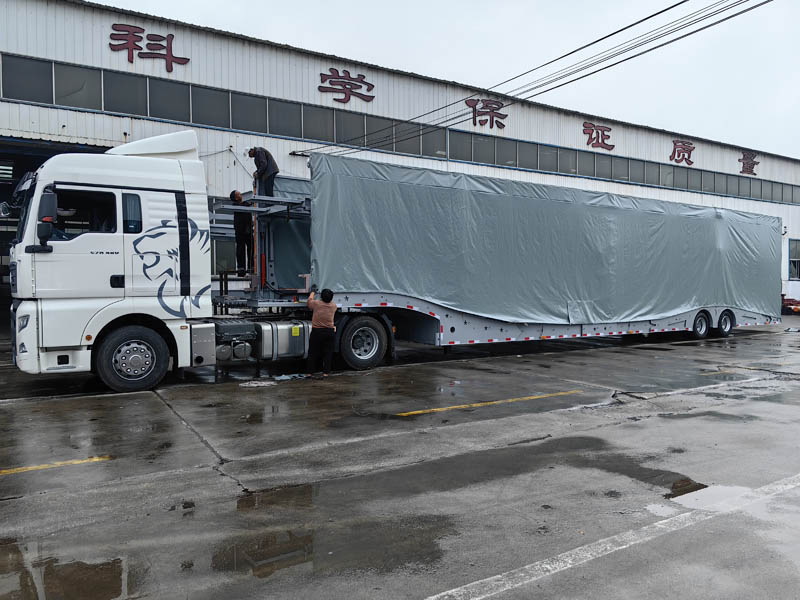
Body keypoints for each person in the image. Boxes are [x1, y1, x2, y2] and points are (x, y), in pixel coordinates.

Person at [306, 288, 337, 379]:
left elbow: (309, 302)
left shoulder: (316, 304)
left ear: (321, 297)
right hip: (329, 332)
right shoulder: (333, 306)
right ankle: (325, 374)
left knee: (312, 353)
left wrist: (312, 292)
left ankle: (309, 373)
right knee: (328, 353)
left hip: (317, 332)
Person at [229, 190, 252, 277]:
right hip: (240, 230)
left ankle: (251, 267)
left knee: (251, 247)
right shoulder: (235, 205)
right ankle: (241, 269)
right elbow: (244, 206)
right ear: (236, 198)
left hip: (248, 229)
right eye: (239, 194)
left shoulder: (245, 203)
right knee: (241, 248)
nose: (241, 194)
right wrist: (249, 204)